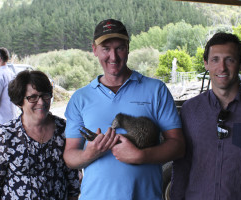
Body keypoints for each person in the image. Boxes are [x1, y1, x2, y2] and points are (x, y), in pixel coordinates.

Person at [63, 18, 185, 200]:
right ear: (94, 50)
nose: (113, 57)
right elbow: (70, 156)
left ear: (128, 47)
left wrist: (141, 156)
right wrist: (90, 153)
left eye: (119, 47)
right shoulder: (80, 98)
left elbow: (178, 146)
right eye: (106, 49)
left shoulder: (156, 90)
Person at [170, 32, 241, 200]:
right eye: (215, 60)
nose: (221, 67)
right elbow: (181, 165)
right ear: (206, 63)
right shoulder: (190, 110)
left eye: (229, 59)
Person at [0, 70, 81, 199]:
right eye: (33, 97)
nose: (41, 102)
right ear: (20, 101)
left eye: (45, 95)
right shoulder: (6, 135)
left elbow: (73, 181)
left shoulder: (64, 129)